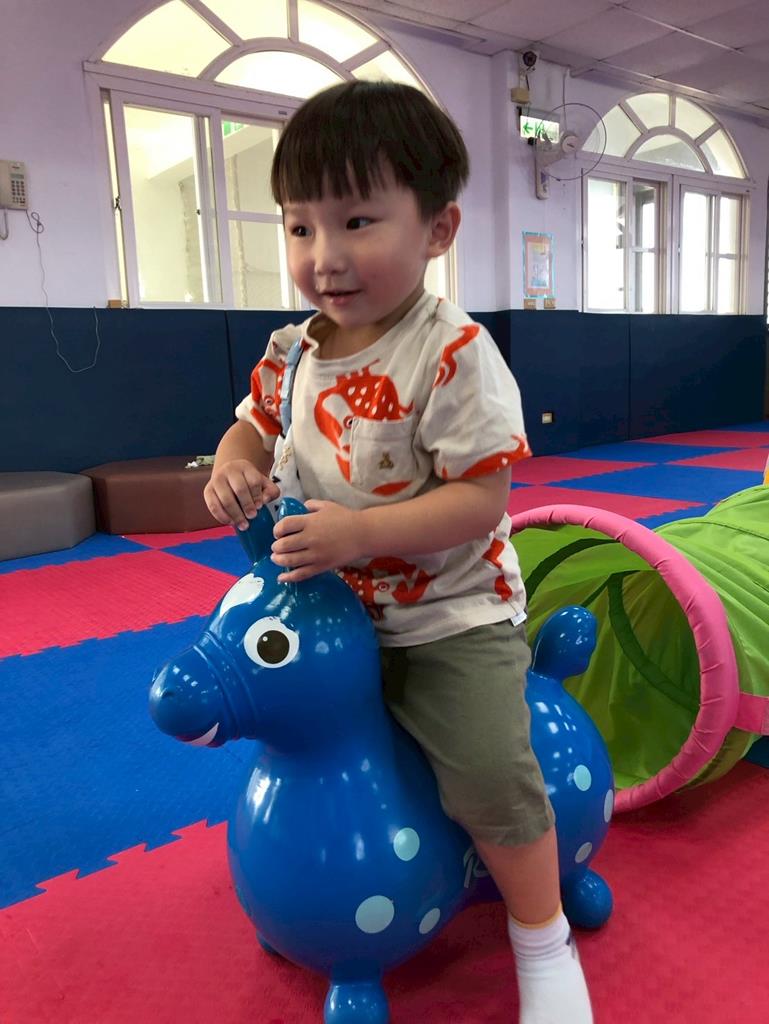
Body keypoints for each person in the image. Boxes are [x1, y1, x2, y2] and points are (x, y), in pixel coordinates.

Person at [204, 79, 593, 1024]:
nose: (324, 256)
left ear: (437, 229)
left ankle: (541, 939)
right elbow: (250, 425)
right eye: (300, 227)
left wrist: (360, 533)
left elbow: (483, 500)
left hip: (446, 617)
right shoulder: (293, 352)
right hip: (326, 615)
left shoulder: (452, 354)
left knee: (488, 774)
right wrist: (231, 463)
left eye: (357, 221)